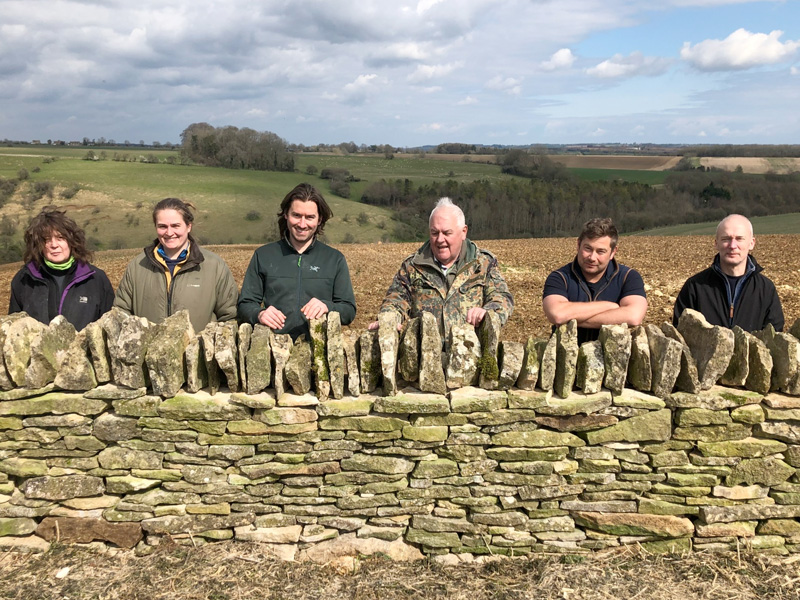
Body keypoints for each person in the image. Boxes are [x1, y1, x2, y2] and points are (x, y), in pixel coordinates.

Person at [370, 197, 513, 342]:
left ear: (463, 232)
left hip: (469, 356)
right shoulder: (412, 267)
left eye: (446, 233)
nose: (439, 239)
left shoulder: (483, 264)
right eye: (434, 233)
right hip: (425, 357)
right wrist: (389, 319)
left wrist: (487, 312)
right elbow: (395, 301)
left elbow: (502, 298)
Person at [237, 183, 356, 339]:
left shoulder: (335, 259)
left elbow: (348, 310)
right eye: (297, 215)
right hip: (273, 350)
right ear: (286, 214)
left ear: (319, 219)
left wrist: (328, 306)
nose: (302, 224)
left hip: (318, 350)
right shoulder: (263, 255)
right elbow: (245, 304)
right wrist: (259, 314)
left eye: (309, 217)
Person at [114, 198, 238, 332]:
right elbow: (121, 314)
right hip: (148, 352)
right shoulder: (137, 266)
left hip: (197, 352)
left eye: (175, 226)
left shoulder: (215, 266)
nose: (169, 232)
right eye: (162, 226)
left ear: (188, 226)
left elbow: (230, 317)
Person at [543, 217, 647, 344]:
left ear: (613, 252)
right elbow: (557, 315)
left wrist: (571, 318)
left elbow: (634, 316)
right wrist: (610, 306)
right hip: (567, 357)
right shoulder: (560, 277)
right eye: (588, 248)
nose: (592, 257)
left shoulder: (628, 277)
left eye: (600, 251)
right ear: (578, 244)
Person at [673, 213, 783, 332]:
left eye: (739, 239)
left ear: (751, 243)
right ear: (716, 243)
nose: (732, 246)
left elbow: (774, 337)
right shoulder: (695, 287)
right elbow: (680, 335)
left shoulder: (765, 289)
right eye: (726, 239)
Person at [9, 208, 114, 330]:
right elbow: (14, 332)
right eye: (47, 239)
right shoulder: (23, 280)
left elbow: (109, 330)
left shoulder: (96, 279)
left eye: (60, 238)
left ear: (72, 241)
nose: (54, 245)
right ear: (38, 244)